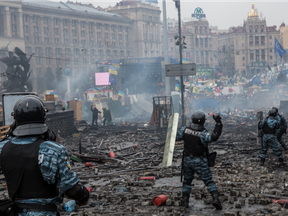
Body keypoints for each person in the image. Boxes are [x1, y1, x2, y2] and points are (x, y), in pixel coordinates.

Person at [0, 95, 89, 215]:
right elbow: (70, 188)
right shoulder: (54, 150)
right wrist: (83, 196)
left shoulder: (2, 148)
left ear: (16, 119)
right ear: (43, 117)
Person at [176, 111, 223, 210]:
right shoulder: (203, 133)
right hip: (200, 161)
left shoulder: (185, 129)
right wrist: (218, 124)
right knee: (208, 181)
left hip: (187, 160)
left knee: (187, 181)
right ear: (202, 121)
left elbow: (177, 137)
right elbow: (213, 137)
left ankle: (185, 202)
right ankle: (216, 199)